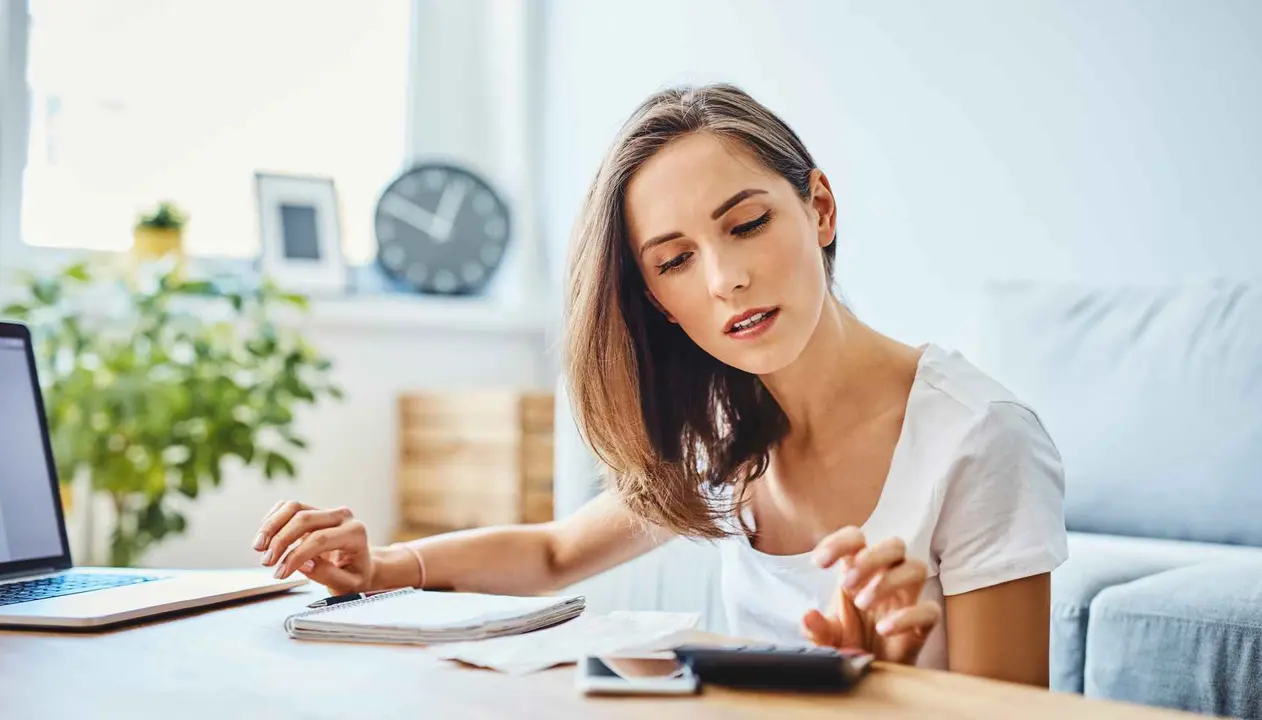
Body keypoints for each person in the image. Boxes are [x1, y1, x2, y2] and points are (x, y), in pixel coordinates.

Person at [251, 84, 1067, 685]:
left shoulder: (977, 436)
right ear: (658, 303)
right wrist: (381, 566)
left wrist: (886, 681)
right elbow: (554, 551)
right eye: (675, 261)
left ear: (819, 208)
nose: (726, 280)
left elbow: (1021, 714)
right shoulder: (728, 427)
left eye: (747, 224)